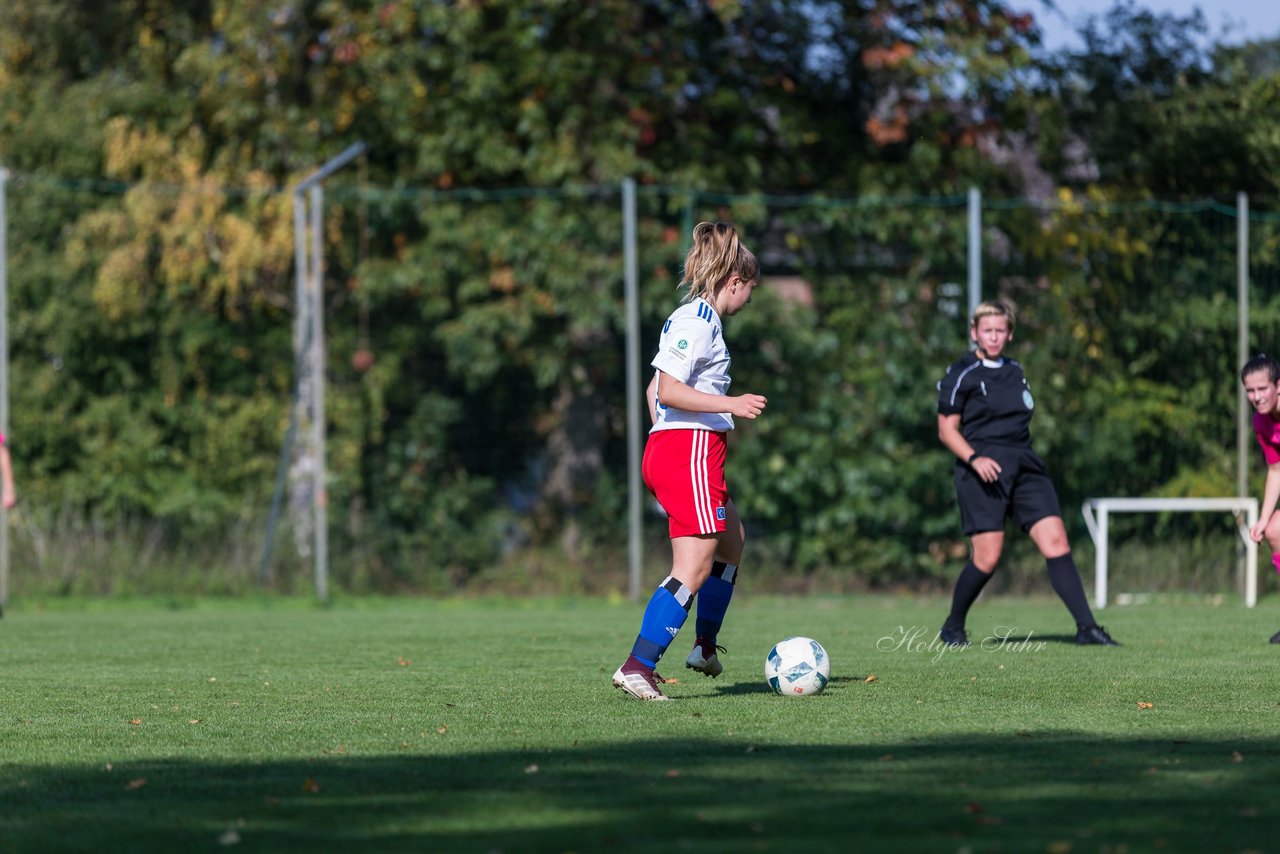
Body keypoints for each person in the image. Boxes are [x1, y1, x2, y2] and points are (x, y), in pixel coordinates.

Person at [612, 221, 767, 701]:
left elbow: (652, 391)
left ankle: (703, 646)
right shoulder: (698, 321)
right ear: (734, 281)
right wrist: (730, 403)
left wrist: (663, 431)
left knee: (732, 541)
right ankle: (637, 665)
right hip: (689, 452)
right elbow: (669, 389)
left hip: (680, 450)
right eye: (750, 291)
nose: (749, 301)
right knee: (694, 566)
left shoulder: (694, 318)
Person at [936, 299, 1118, 647]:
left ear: (1010, 333)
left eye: (1000, 330)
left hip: (1026, 466)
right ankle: (953, 626)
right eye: (986, 330)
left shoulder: (1016, 369)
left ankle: (1087, 628)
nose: (993, 336)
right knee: (988, 557)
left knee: (1057, 542)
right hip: (982, 470)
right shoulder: (961, 374)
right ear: (974, 333)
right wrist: (975, 459)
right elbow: (947, 430)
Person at [1239, 353, 1280, 644]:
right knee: (1275, 530)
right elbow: (1276, 470)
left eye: (1262, 388)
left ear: (1278, 385)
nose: (1256, 396)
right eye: (1250, 390)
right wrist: (1263, 520)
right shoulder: (1261, 422)